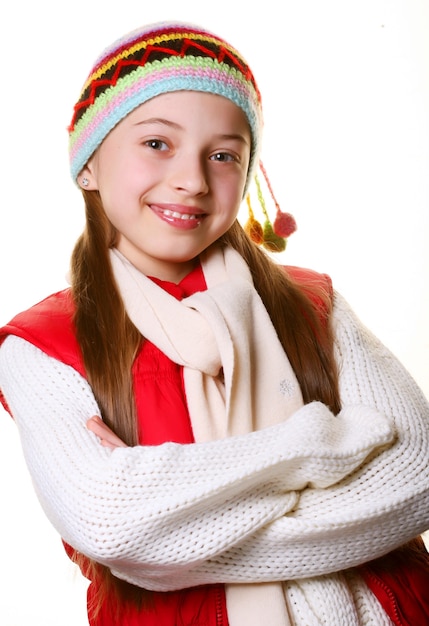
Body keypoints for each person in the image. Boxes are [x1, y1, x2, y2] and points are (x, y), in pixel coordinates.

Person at [0, 20, 428, 626]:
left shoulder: (316, 304)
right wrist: (322, 445)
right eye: (157, 144)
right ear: (89, 163)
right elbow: (108, 521)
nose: (193, 180)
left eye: (223, 154)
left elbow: (418, 473)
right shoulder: (43, 344)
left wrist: (171, 532)